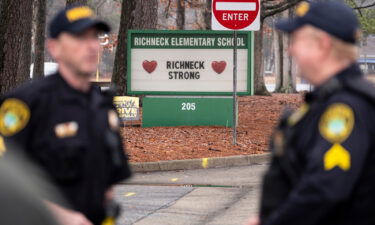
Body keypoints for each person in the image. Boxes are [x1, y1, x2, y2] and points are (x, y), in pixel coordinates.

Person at [0, 5, 131, 225]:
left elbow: (108, 182)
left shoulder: (103, 107)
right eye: (79, 38)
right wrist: (60, 216)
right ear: (54, 47)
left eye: (94, 38)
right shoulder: (24, 104)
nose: (91, 46)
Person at [247, 1, 375, 225]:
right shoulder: (326, 100)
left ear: (322, 45)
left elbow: (324, 190)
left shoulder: (345, 108)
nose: (291, 49)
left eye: (296, 40)